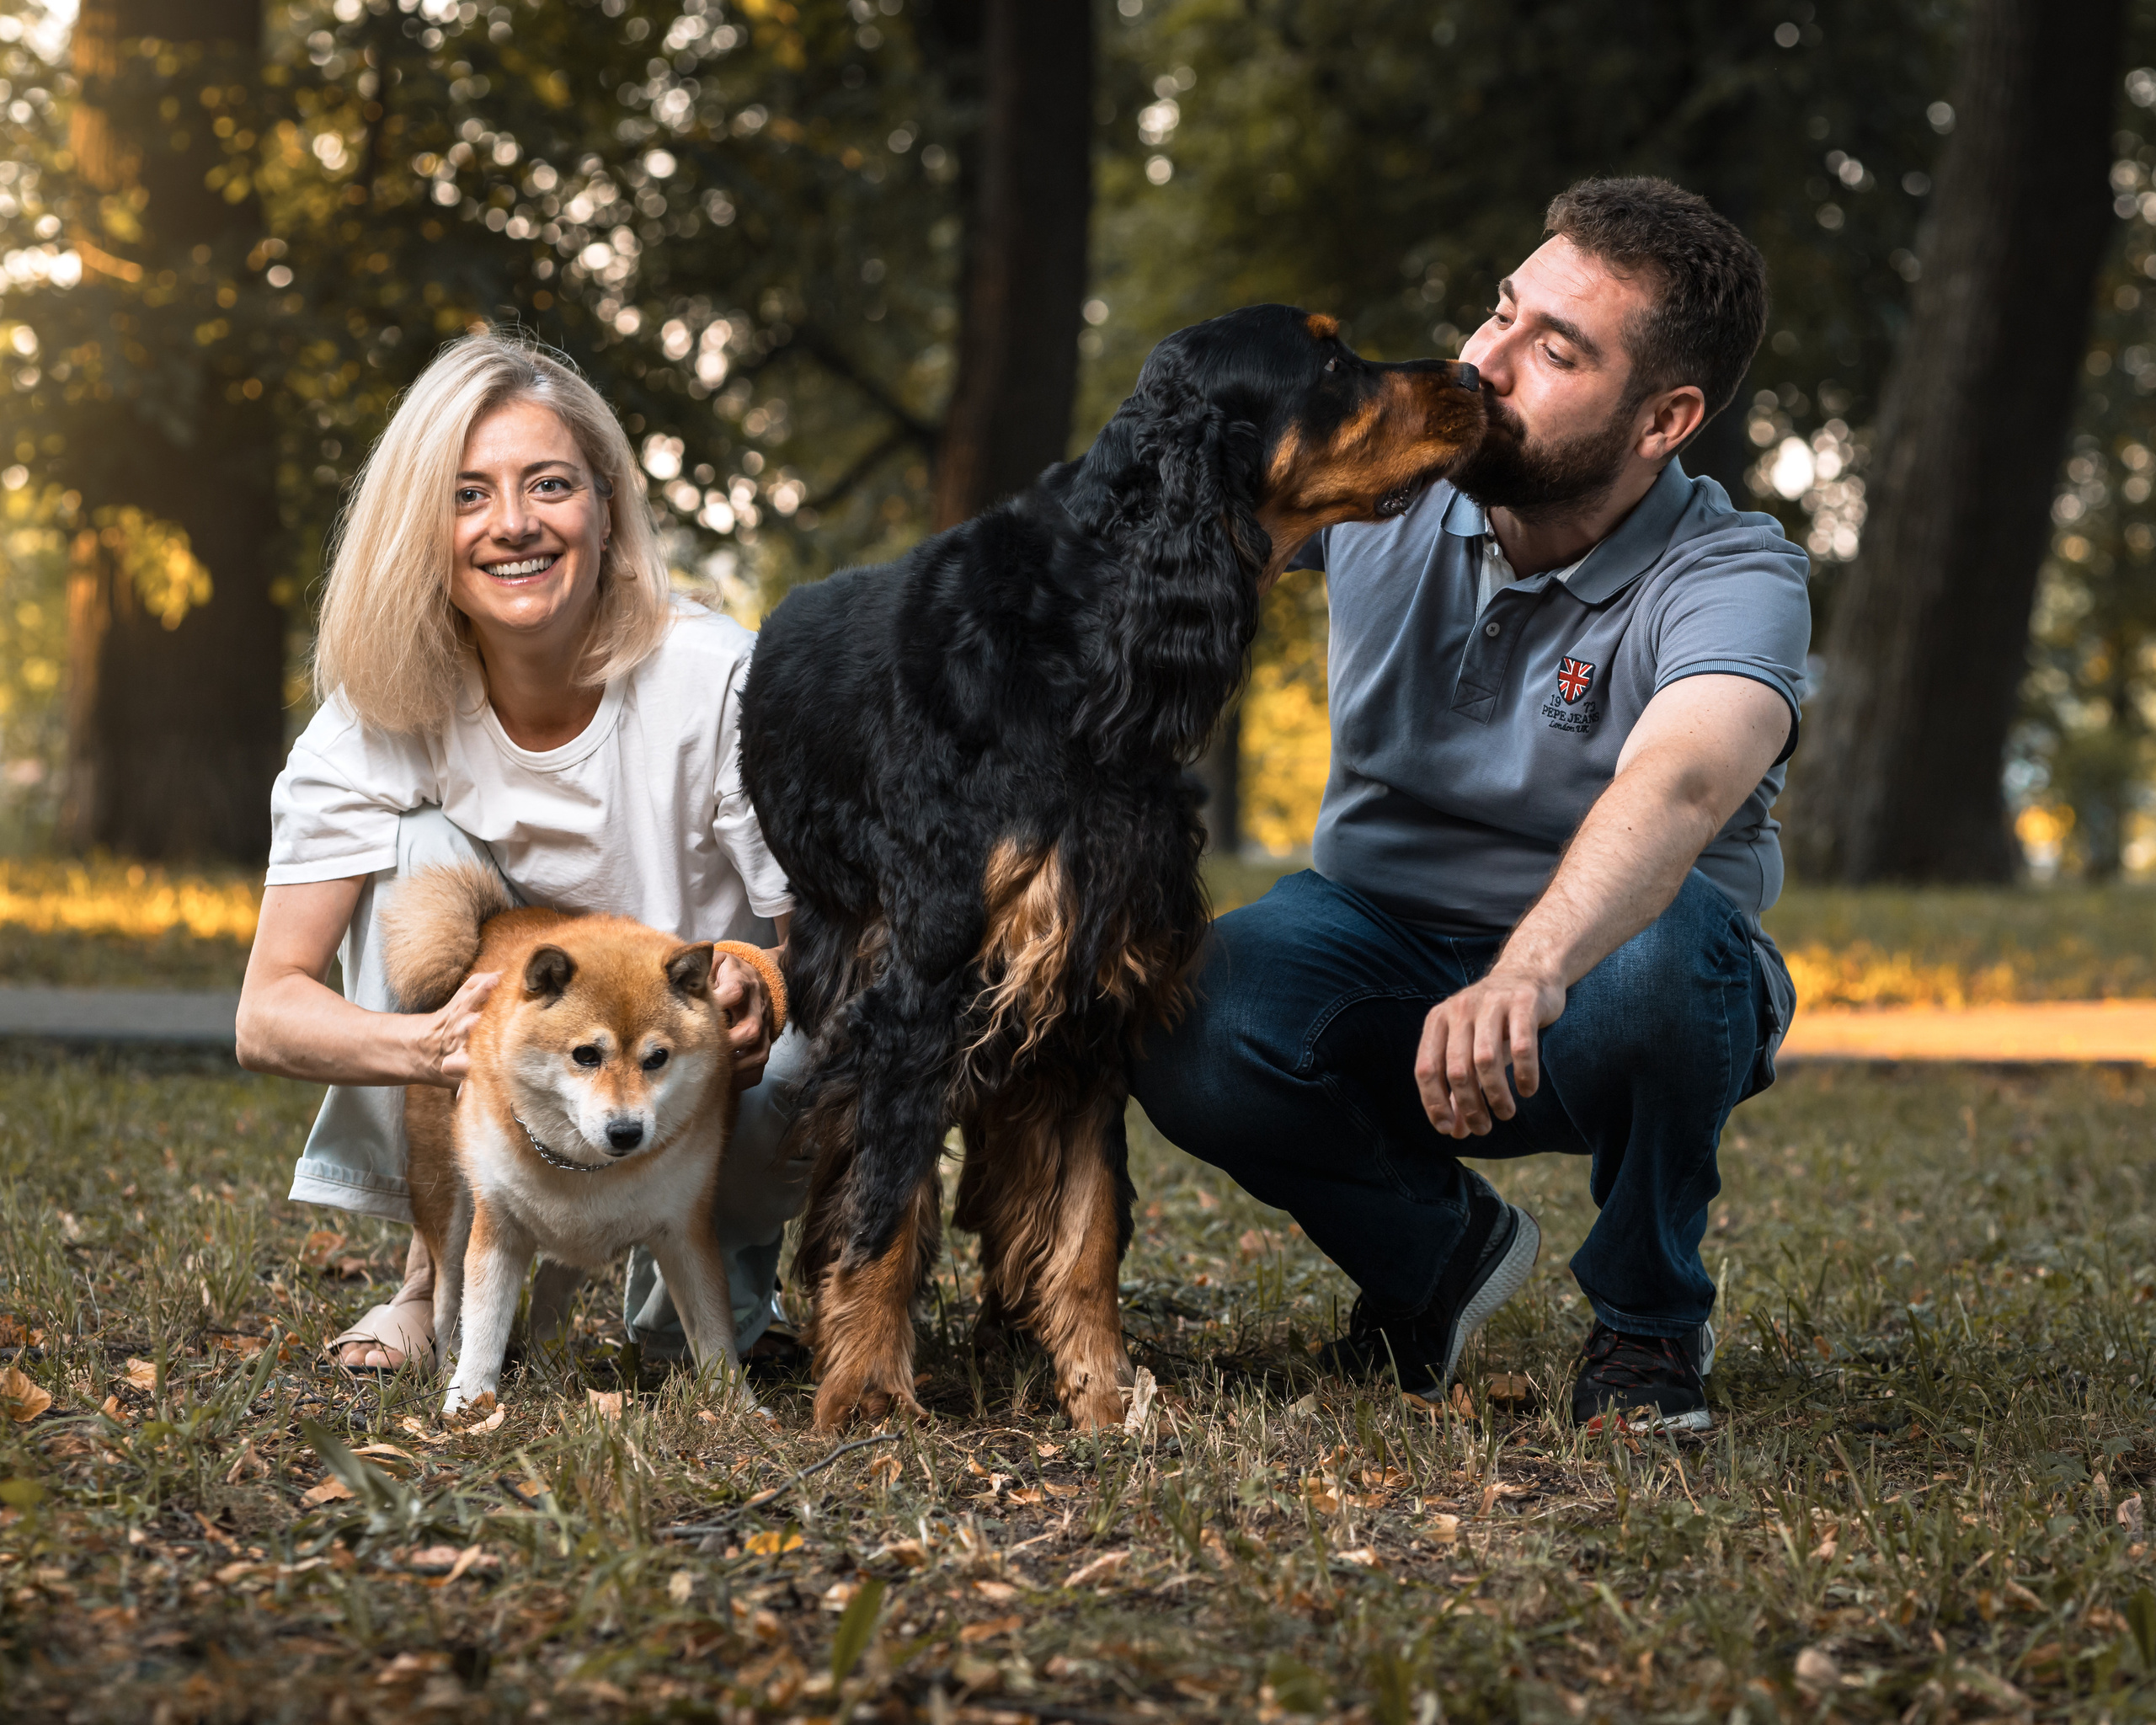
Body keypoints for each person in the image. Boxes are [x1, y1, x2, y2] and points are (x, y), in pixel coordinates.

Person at [1132, 178, 1807, 1433]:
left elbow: (1683, 783)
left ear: (1665, 419)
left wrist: (1526, 973)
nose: (1486, 360)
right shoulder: (1399, 483)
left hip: (1609, 989)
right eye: (1501, 310)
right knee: (1185, 1004)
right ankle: (1434, 1262)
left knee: (1679, 962)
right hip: (1369, 936)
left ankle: (1650, 1326)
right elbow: (1173, 513)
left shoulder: (1734, 573)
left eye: (1556, 349)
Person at [236, 331, 808, 1375]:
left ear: (603, 506)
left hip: (704, 1081)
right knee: (415, 852)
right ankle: (433, 1273)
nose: (512, 524)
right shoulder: (380, 708)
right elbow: (268, 1008)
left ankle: (712, 1262)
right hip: (517, 1075)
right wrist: (431, 1047)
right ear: (423, 523)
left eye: (549, 484)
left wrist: (760, 984)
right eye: (467, 494)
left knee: (808, 1074)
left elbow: (826, 942)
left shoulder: (716, 677)